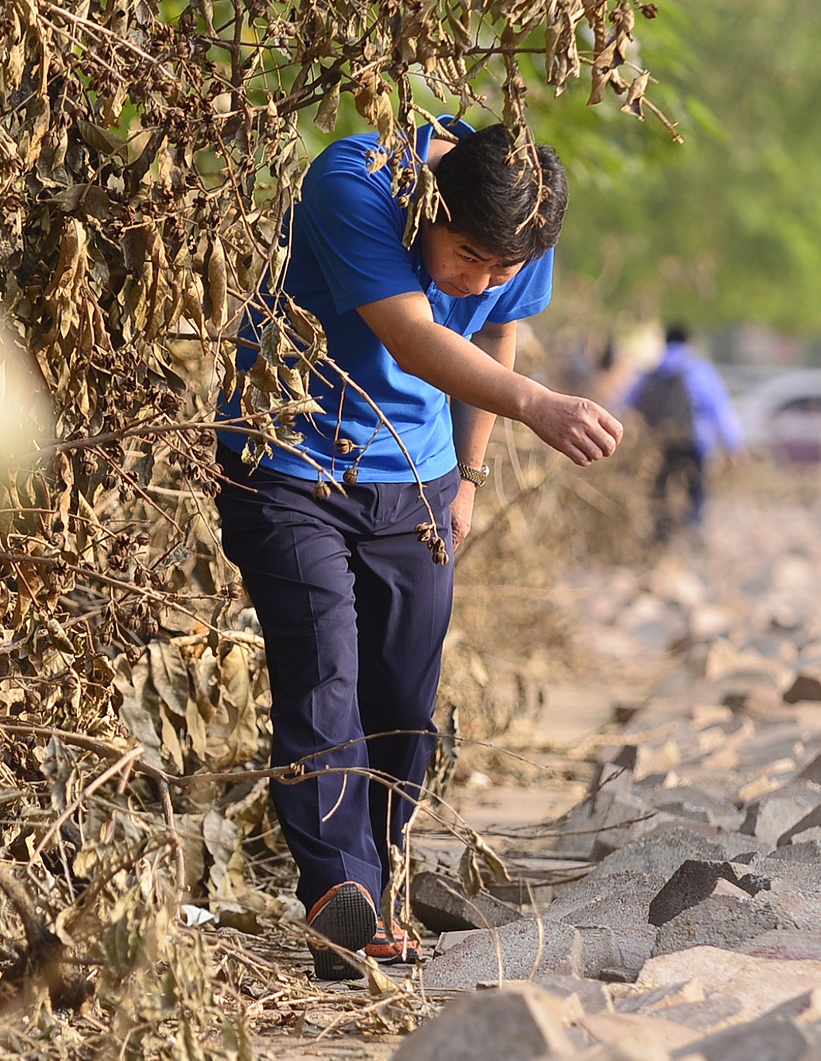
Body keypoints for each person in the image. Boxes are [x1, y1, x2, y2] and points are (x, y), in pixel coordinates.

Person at [213, 118, 622, 979]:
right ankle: (337, 889)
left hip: (419, 473)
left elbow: (492, 328)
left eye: (499, 268)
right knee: (324, 663)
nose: (477, 281)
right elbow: (411, 331)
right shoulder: (355, 182)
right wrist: (537, 406)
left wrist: (468, 478)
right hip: (289, 454)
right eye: (466, 256)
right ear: (431, 205)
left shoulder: (524, 213)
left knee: (404, 686)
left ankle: (381, 877)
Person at [621, 324, 746, 543]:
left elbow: (626, 401)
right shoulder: (699, 369)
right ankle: (693, 532)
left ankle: (661, 533)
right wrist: (735, 446)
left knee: (660, 487)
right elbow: (720, 409)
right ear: (689, 342)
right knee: (697, 488)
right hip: (693, 441)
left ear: (666, 342)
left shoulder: (654, 370)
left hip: (659, 442)